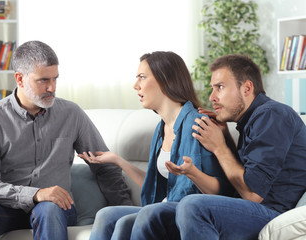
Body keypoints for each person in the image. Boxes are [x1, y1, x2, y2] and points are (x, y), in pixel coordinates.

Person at [0, 40, 132, 240]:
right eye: (43, 80)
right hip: (6, 209)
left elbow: (105, 166)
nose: (52, 87)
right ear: (20, 79)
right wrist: (36, 194)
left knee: (48, 208)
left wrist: (128, 211)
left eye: (55, 79)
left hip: (55, 210)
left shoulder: (71, 114)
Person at [130, 54, 306, 240]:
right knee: (146, 215)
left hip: (271, 213)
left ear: (246, 88)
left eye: (220, 87)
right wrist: (225, 137)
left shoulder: (271, 115)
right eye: (212, 89)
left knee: (192, 205)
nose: (212, 97)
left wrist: (219, 147)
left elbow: (253, 194)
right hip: (252, 209)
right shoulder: (251, 122)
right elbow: (241, 178)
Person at [78, 51, 233, 240]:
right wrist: (118, 160)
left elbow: (222, 192)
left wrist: (192, 173)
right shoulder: (162, 129)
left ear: (164, 80)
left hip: (188, 213)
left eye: (142, 78)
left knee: (131, 220)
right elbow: (154, 186)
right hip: (163, 207)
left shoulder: (199, 125)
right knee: (106, 215)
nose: (136, 86)